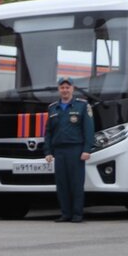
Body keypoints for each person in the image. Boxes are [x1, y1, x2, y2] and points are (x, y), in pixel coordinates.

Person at [44, 76, 94, 223]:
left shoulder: (82, 106)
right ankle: (65, 213)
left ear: (72, 88)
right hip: (59, 151)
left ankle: (77, 214)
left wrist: (87, 149)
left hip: (76, 150)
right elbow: (48, 132)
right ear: (59, 89)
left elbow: (89, 129)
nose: (65, 90)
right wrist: (47, 151)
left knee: (76, 183)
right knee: (62, 183)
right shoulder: (53, 107)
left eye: (67, 87)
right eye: (62, 87)